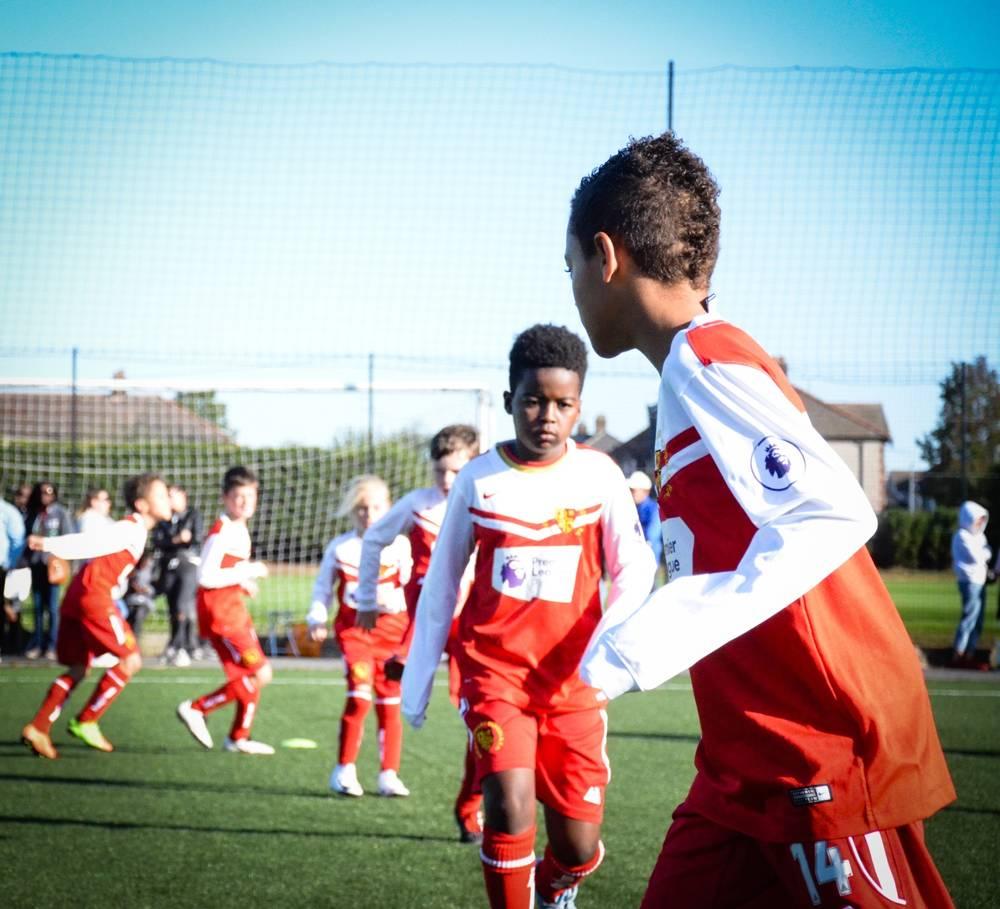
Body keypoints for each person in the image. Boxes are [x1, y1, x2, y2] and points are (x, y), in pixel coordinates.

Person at [564, 132, 956, 907]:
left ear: (605, 256)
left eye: (568, 264)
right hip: (740, 768)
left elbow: (830, 511)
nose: (571, 285)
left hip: (816, 755)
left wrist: (636, 646)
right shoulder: (689, 374)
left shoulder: (705, 356)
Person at [402, 324, 656, 909]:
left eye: (562, 404)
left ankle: (557, 885)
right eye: (533, 400)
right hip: (496, 676)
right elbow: (441, 586)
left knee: (577, 844)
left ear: (579, 407)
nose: (547, 415)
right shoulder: (478, 480)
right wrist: (416, 681)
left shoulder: (599, 476)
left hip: (576, 683)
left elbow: (635, 570)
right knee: (509, 803)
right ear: (509, 399)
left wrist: (613, 645)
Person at [355, 424, 484, 839]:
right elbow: (374, 539)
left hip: (473, 623)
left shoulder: (489, 498)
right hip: (427, 616)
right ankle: (405, 663)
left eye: (455, 472)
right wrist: (368, 600)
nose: (447, 481)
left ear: (472, 466)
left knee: (480, 720)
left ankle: (471, 810)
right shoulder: (417, 504)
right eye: (440, 471)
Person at [20, 473, 172, 759]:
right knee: (131, 660)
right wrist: (51, 545)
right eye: (162, 495)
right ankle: (87, 719)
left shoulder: (138, 530)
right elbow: (90, 544)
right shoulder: (132, 528)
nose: (168, 499)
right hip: (94, 597)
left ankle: (39, 727)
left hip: (79, 596)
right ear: (141, 504)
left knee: (79, 668)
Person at [307, 475, 413, 798]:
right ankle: (344, 770)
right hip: (356, 633)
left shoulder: (401, 545)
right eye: (362, 508)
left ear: (389, 508)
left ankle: (389, 774)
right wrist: (317, 615)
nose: (369, 515)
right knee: (359, 694)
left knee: (390, 703)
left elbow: (413, 588)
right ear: (353, 511)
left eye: (376, 507)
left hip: (393, 632)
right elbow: (322, 588)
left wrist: (392, 602)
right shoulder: (341, 548)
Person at [176, 466, 273, 755]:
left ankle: (238, 737)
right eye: (238, 496)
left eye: (250, 495)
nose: (245, 502)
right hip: (222, 614)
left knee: (250, 673)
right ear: (225, 499)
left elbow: (225, 571)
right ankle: (196, 708)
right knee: (260, 674)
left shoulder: (239, 529)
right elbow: (205, 577)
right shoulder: (222, 533)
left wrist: (243, 581)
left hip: (234, 608)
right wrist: (248, 569)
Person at [153, 484, 204, 667]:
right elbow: (157, 541)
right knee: (173, 607)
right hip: (169, 566)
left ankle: (181, 646)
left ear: (183, 496)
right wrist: (176, 540)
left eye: (171, 495)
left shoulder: (193, 515)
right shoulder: (164, 519)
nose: (168, 499)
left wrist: (186, 539)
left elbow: (197, 538)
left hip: (187, 565)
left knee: (183, 606)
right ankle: (177, 645)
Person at [24, 481, 76, 659]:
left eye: (49, 492)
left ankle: (53, 645)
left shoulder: (60, 513)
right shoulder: (34, 514)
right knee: (38, 606)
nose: (45, 496)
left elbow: (68, 536)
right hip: (37, 564)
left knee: (53, 607)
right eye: (42, 493)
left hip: (53, 565)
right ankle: (38, 643)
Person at [950, 500, 991, 670]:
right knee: (969, 617)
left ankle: (970, 653)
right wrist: (985, 553)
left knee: (978, 619)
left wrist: (985, 554)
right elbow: (979, 557)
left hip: (980, 580)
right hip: (969, 581)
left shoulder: (979, 537)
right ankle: (958, 653)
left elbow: (987, 553)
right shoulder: (962, 536)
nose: (980, 523)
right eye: (977, 519)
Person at [0, 495, 27, 659]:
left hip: (3, 566)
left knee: (8, 607)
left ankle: (9, 644)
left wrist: (11, 564)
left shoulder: (7, 511)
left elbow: (18, 539)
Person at [627, 471, 662, 571]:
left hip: (649, 561)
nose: (631, 493)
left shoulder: (654, 509)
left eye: (633, 490)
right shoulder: (633, 508)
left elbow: (652, 535)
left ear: (645, 491)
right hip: (636, 561)